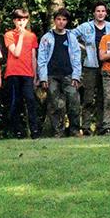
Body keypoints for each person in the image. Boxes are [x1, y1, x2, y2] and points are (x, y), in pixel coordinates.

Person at [37, 8, 83, 137]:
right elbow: (41, 59)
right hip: (51, 75)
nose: (61, 22)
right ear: (54, 20)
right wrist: (43, 78)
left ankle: (74, 131)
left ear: (67, 21)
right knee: (55, 105)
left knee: (74, 103)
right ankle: (58, 132)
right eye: (58, 19)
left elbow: (76, 57)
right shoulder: (46, 38)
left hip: (69, 75)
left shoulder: (71, 37)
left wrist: (76, 76)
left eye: (64, 19)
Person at [73, 3, 110, 135]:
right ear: (94, 13)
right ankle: (86, 127)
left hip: (107, 66)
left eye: (103, 11)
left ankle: (101, 127)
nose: (100, 13)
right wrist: (82, 47)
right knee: (88, 98)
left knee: (103, 98)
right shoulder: (86, 26)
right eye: (98, 11)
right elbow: (71, 35)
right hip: (90, 66)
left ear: (106, 13)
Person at [3, 8, 40, 139]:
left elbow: (33, 57)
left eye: (24, 20)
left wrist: (35, 75)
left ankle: (34, 131)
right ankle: (18, 131)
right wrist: (21, 37)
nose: (21, 22)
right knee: (16, 102)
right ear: (14, 21)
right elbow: (16, 53)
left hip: (27, 73)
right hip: (13, 73)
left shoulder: (32, 36)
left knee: (30, 100)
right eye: (19, 20)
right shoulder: (9, 35)